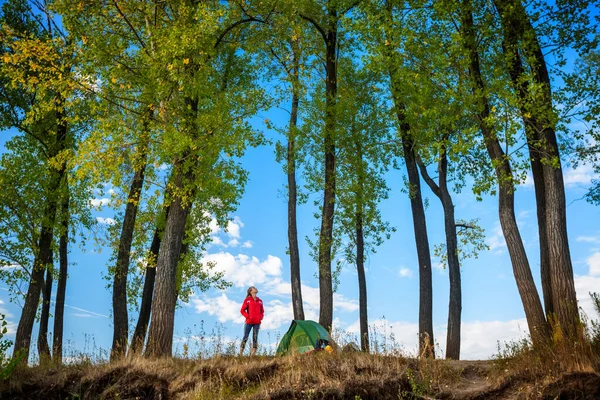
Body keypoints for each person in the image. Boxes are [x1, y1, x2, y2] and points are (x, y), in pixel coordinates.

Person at [239, 286, 264, 356]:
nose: (255, 288)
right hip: (249, 322)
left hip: (257, 322)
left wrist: (260, 317)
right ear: (251, 291)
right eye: (254, 288)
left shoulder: (260, 301)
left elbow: (262, 311)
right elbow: (242, 310)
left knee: (255, 337)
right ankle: (240, 353)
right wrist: (248, 316)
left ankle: (253, 355)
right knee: (245, 337)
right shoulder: (247, 300)